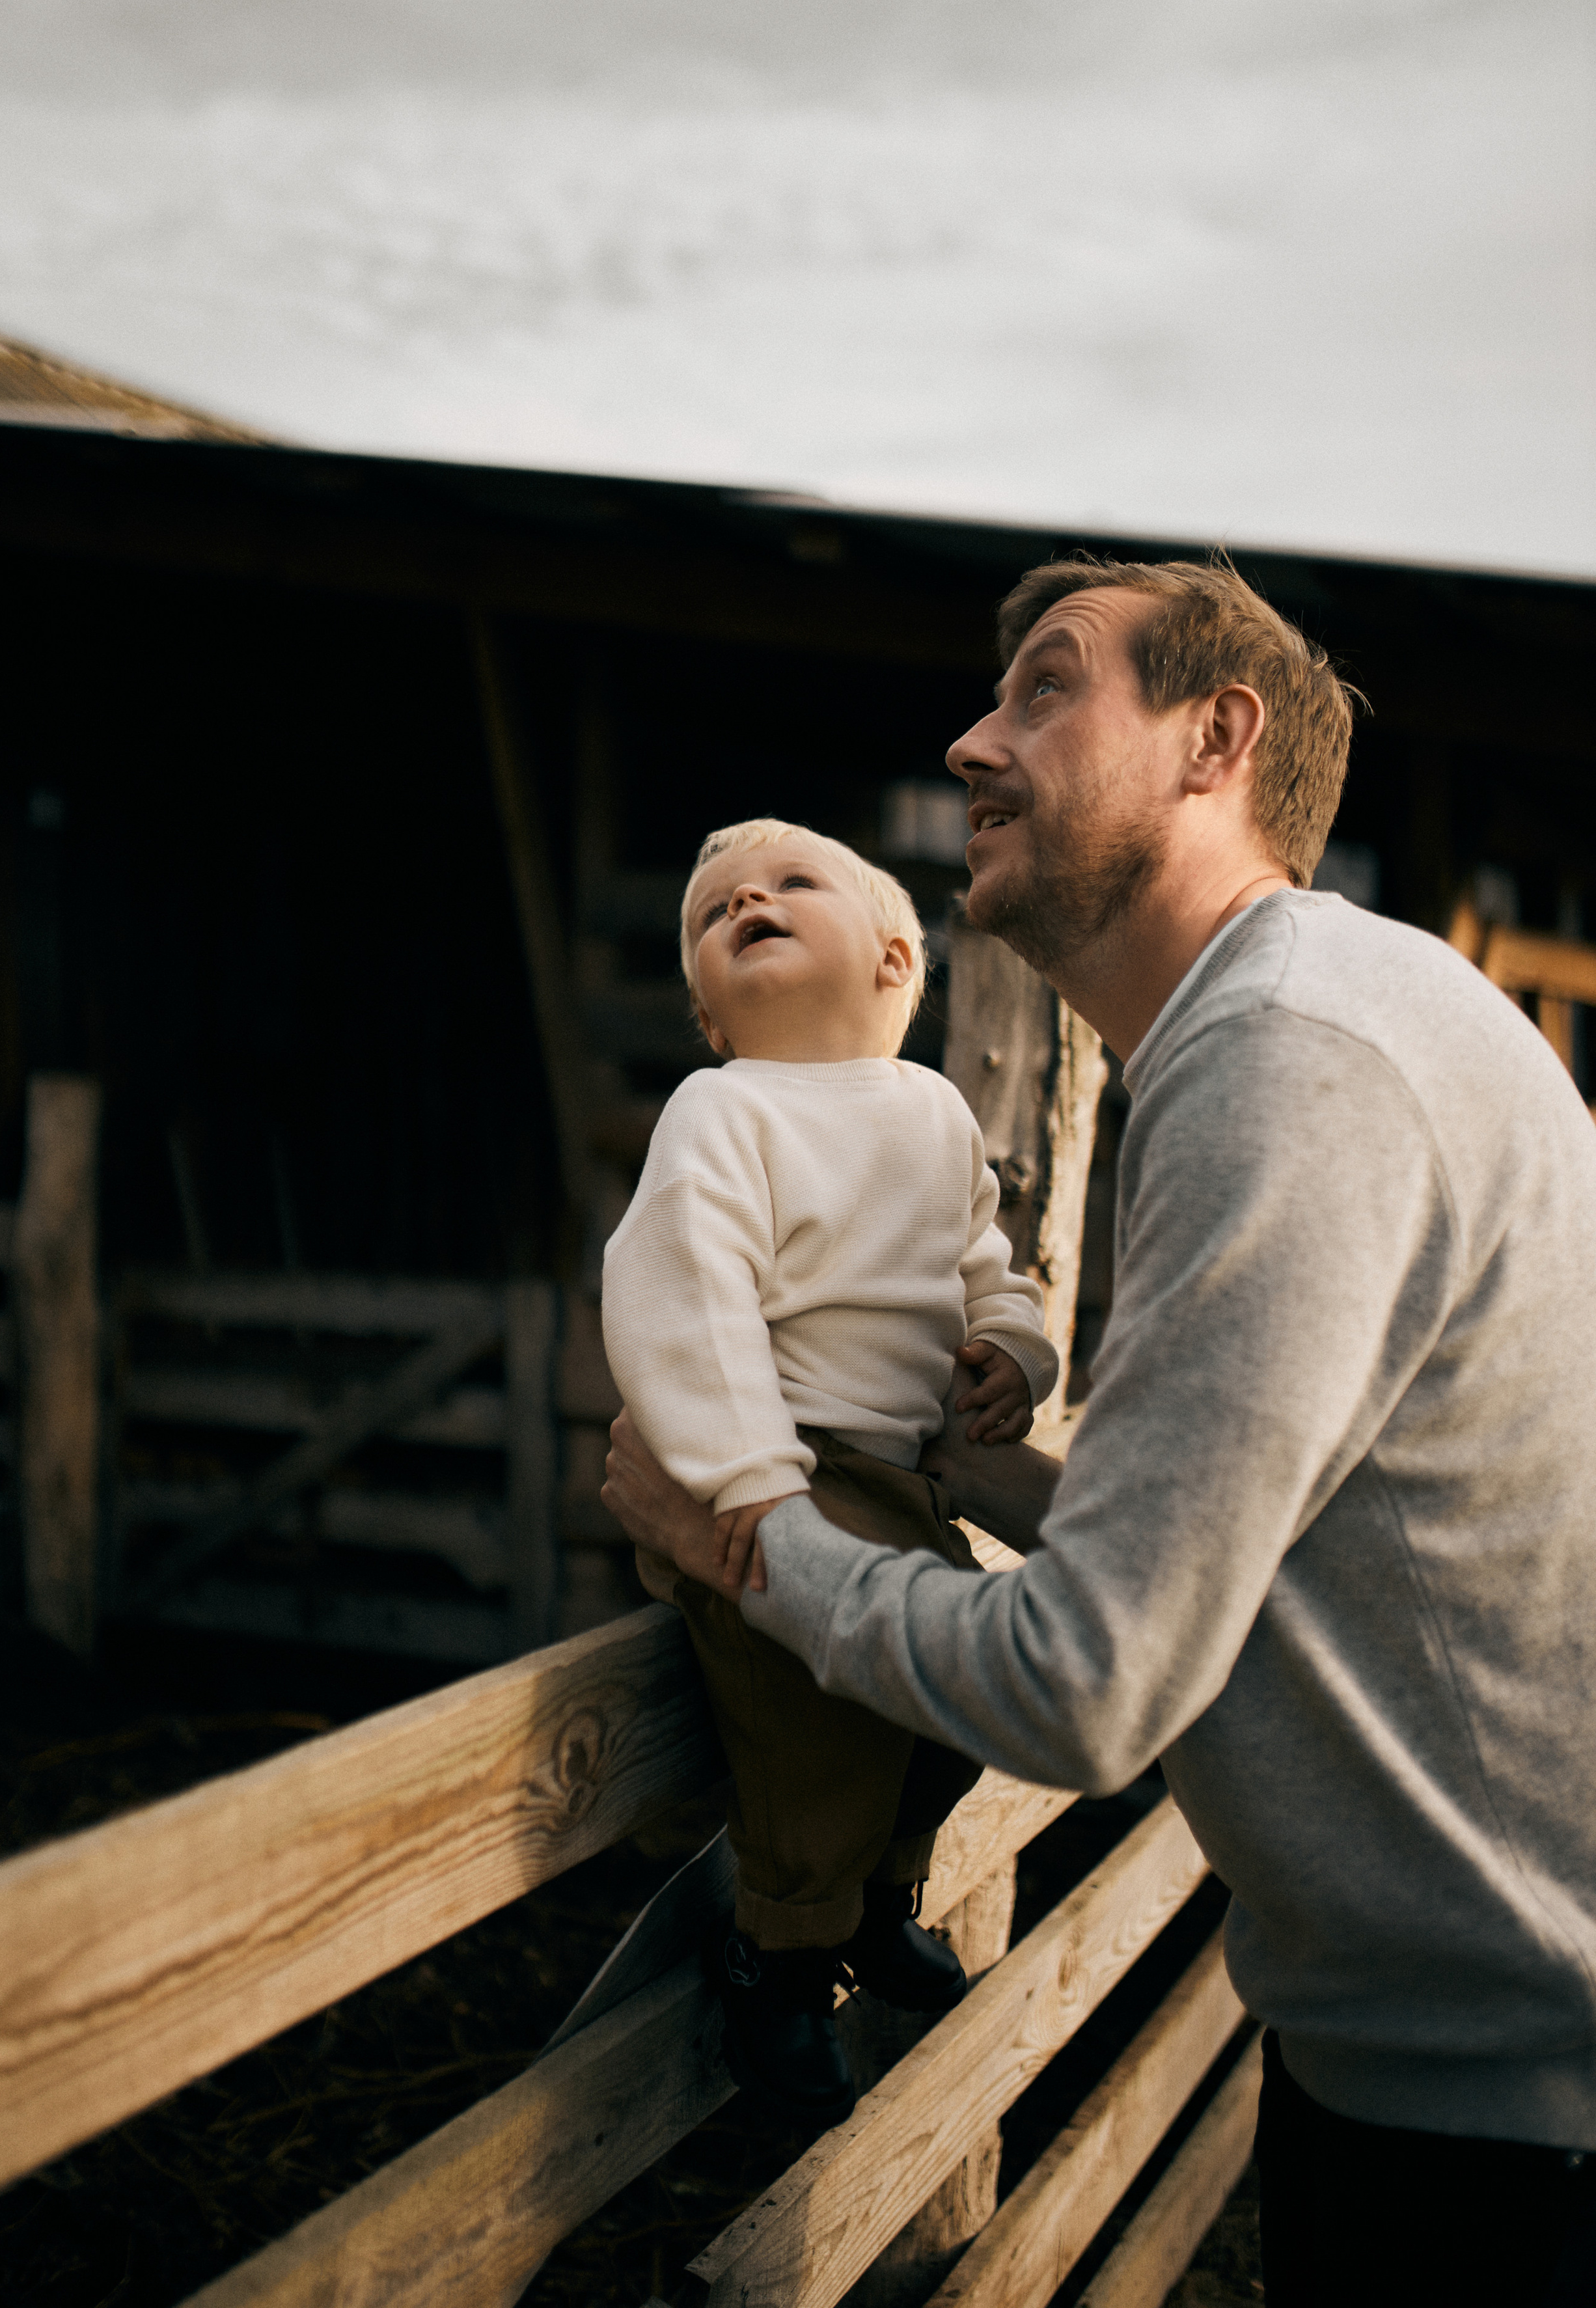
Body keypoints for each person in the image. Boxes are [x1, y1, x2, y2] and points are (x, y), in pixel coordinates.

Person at [603, 558, 1596, 2303]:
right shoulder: (1341, 1013)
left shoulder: (1287, 1063)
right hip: (1480, 2069)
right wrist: (974, 1469)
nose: (974, 739)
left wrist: (744, 1545)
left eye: (1048, 687)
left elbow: (1086, 1682)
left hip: (1506, 2139)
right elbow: (1281, 1548)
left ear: (1218, 740)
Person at [601, 816, 1057, 2128]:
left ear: (894, 956)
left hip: (904, 1478)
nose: (745, 898)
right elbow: (679, 1294)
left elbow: (985, 1264)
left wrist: (1011, 1351)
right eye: (712, 911)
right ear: (706, 1015)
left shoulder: (931, 1113)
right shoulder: (723, 1111)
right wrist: (745, 1481)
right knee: (808, 1729)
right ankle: (781, 1962)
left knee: (952, 1707)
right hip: (770, 1466)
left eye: (792, 883)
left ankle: (879, 1897)